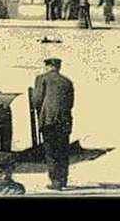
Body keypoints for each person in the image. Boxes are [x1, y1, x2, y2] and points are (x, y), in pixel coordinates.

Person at [31, 57, 75, 190]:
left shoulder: (41, 78)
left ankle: (55, 181)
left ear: (48, 66)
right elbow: (71, 103)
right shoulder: (67, 81)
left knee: (51, 150)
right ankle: (63, 180)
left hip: (48, 120)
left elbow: (37, 101)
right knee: (63, 150)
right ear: (58, 67)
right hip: (65, 120)